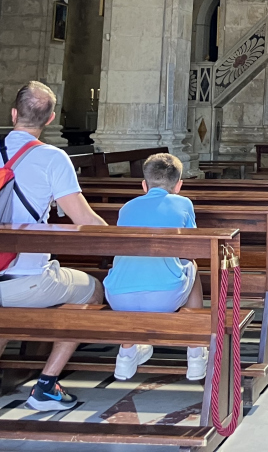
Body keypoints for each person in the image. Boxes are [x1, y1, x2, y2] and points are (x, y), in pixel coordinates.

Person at [0, 81, 108, 413]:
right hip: (27, 284)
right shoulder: (52, 158)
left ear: (14, 114)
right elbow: (83, 219)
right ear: (50, 119)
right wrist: (125, 242)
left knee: (2, 289)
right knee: (93, 291)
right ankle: (46, 384)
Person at [103, 153, 208, 382]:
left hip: (118, 298)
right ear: (179, 185)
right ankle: (196, 352)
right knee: (192, 265)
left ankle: (126, 355)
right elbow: (191, 249)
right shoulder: (183, 203)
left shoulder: (127, 208)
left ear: (144, 185)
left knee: (131, 270)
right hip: (163, 298)